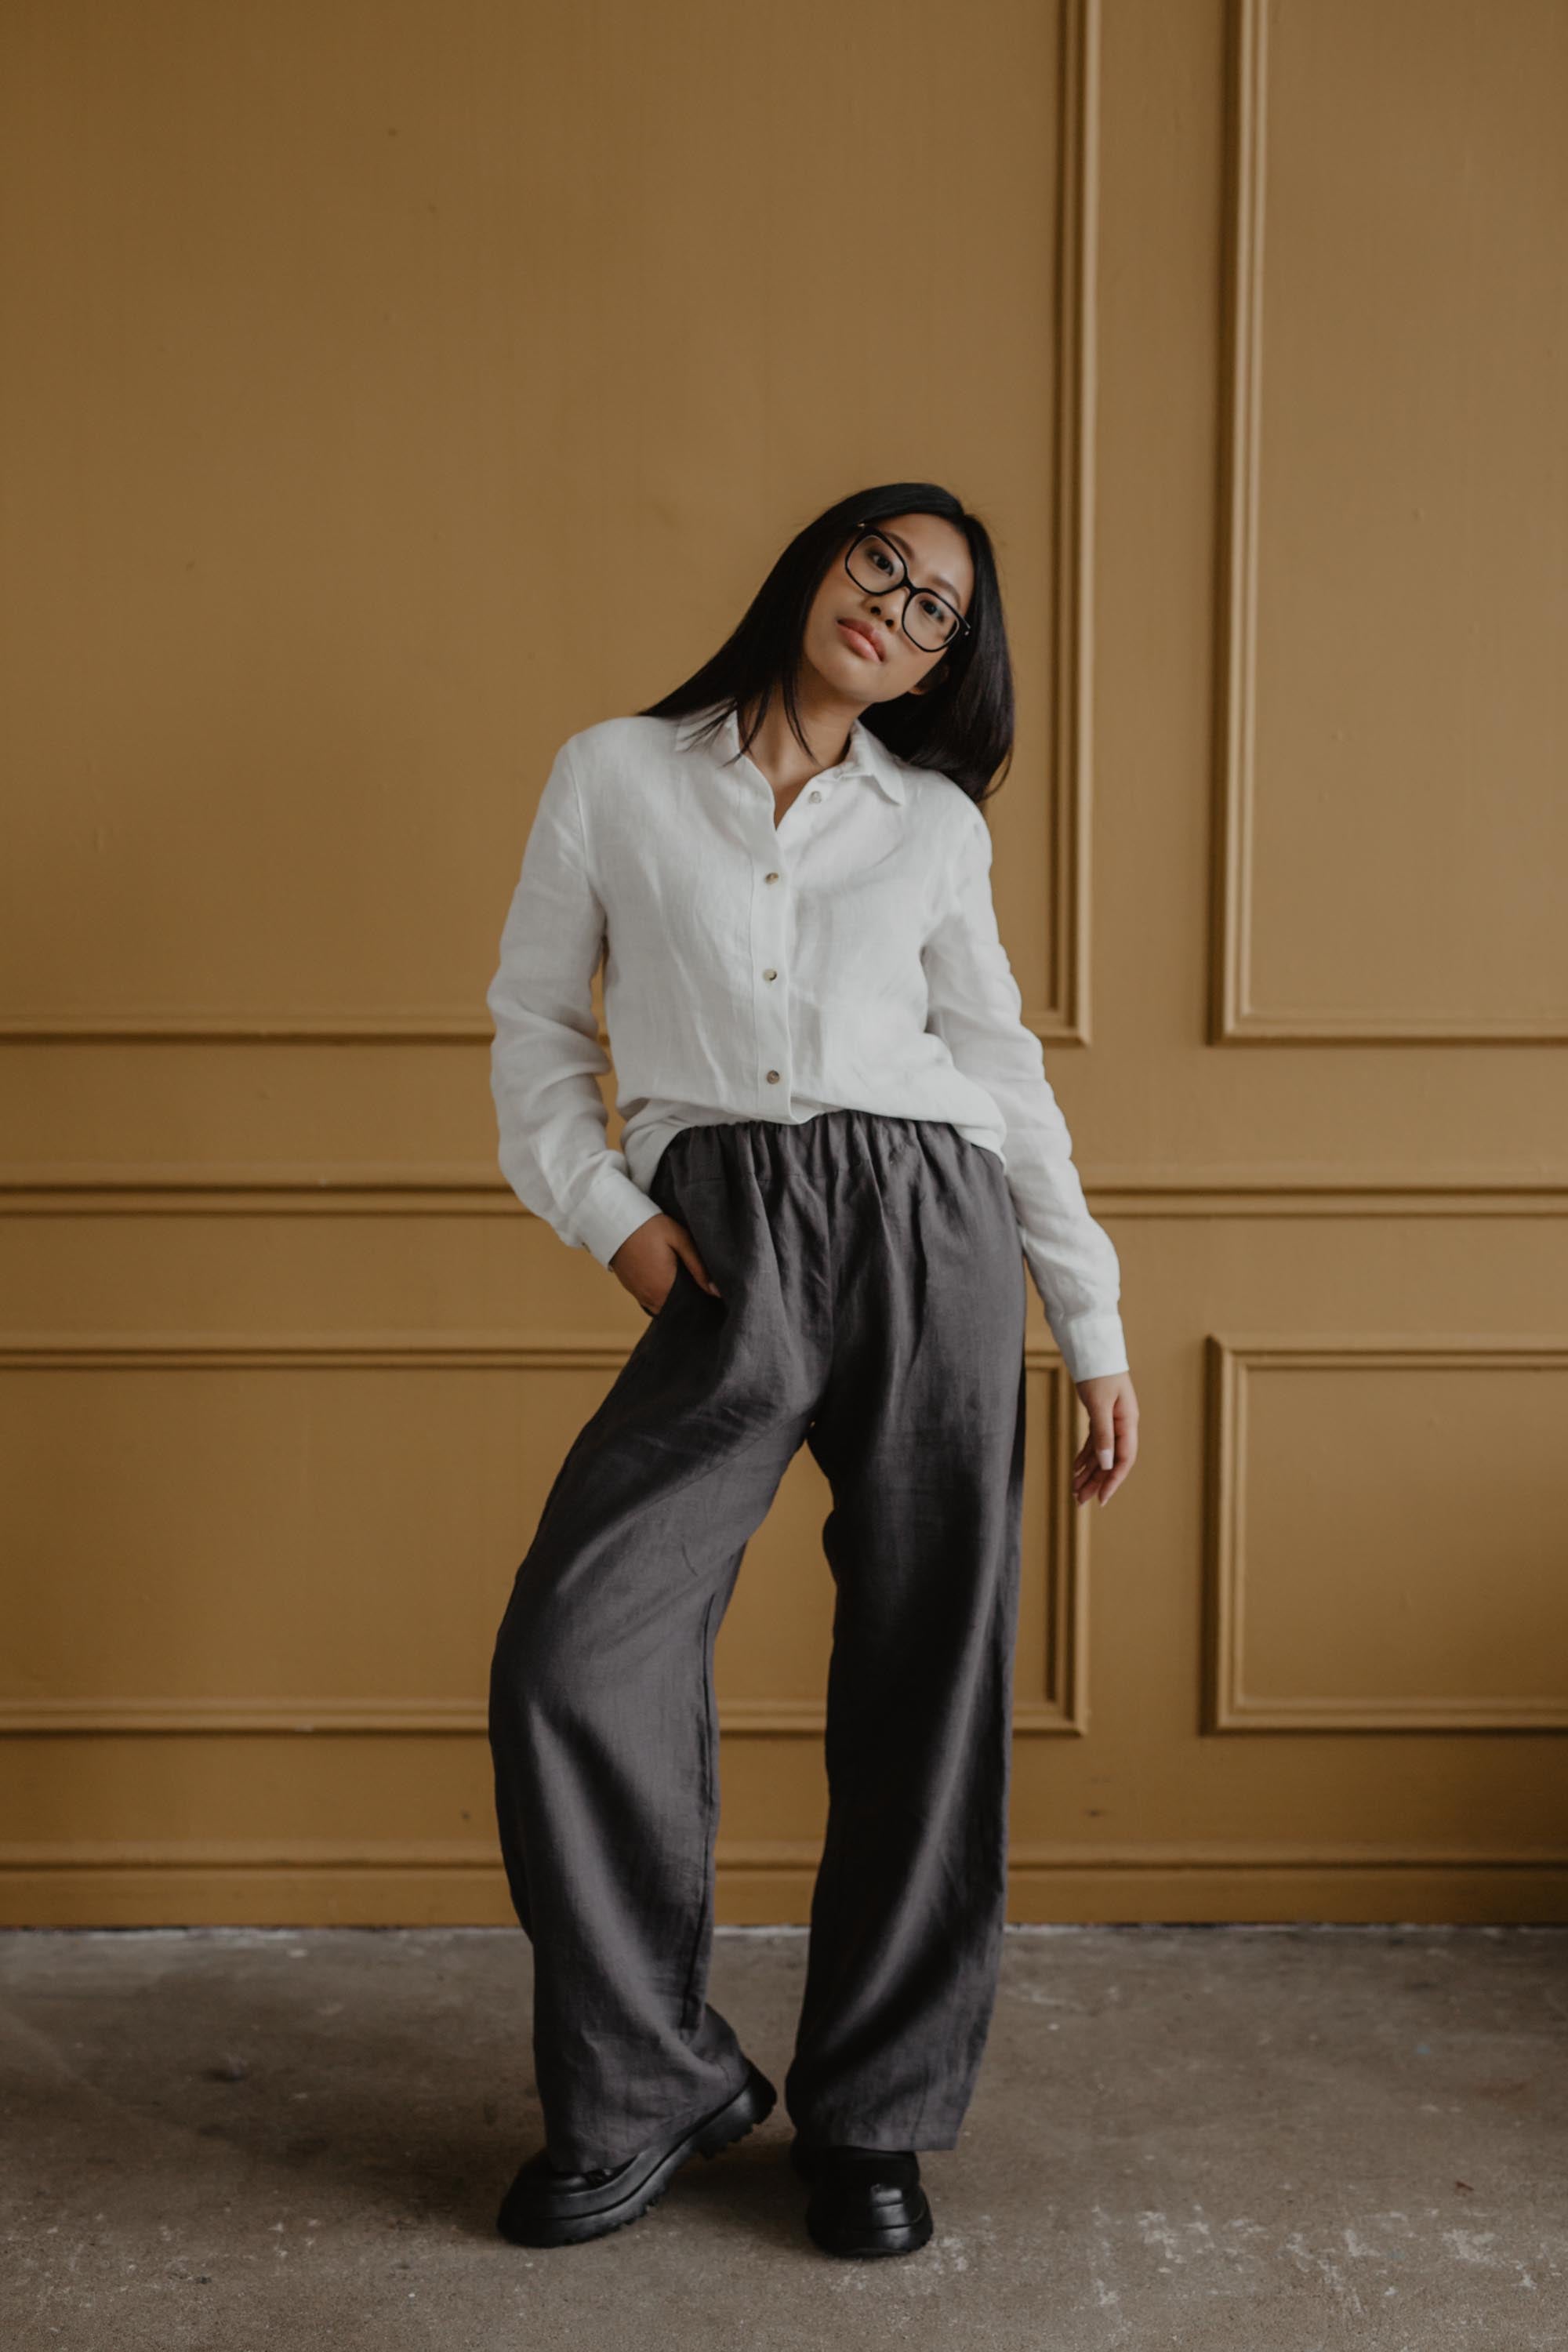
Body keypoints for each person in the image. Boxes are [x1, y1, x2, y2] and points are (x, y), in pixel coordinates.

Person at [482, 482, 1139, 2259]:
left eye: (938, 612)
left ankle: (874, 2116)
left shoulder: (932, 823)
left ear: (942, 666)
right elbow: (534, 1027)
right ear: (821, 560)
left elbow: (1000, 1066)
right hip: (722, 1242)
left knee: (929, 1672)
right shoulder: (614, 773)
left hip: (934, 1230)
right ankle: (647, 2086)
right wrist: (616, 1219)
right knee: (577, 1644)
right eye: (884, 567)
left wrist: (1089, 1321)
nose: (897, 611)